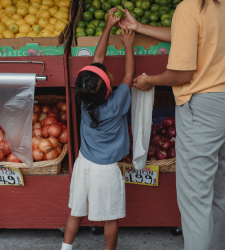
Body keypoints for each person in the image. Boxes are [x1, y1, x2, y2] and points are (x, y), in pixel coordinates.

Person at [119, 0, 225, 249]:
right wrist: (139, 26)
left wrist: (149, 81)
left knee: (195, 200)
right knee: (219, 192)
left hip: (203, 111)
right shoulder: (224, 3)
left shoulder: (188, 8)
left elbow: (181, 74)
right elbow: (189, 34)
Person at [61, 8, 136, 250]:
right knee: (110, 218)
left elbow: (98, 59)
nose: (106, 69)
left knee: (76, 212)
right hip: (106, 171)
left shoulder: (85, 102)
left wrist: (106, 26)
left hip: (83, 165)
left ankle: (66, 247)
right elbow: (130, 73)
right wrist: (127, 44)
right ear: (107, 88)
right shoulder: (117, 102)